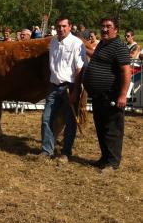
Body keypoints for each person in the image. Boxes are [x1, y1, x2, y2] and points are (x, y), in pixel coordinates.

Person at [83, 17, 131, 172]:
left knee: (112, 130)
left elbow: (126, 71)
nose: (104, 29)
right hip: (98, 96)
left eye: (108, 26)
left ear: (116, 29)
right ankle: (104, 158)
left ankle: (112, 163)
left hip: (112, 96)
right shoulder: (102, 45)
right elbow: (98, 59)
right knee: (101, 128)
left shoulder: (119, 46)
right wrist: (81, 48)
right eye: (102, 26)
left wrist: (123, 95)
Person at [40, 17, 87, 164]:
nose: (61, 29)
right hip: (54, 86)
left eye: (64, 26)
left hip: (70, 87)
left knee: (70, 121)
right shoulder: (53, 41)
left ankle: (66, 153)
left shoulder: (77, 43)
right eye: (59, 26)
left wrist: (75, 91)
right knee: (46, 119)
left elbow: (80, 68)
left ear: (70, 26)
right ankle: (46, 150)